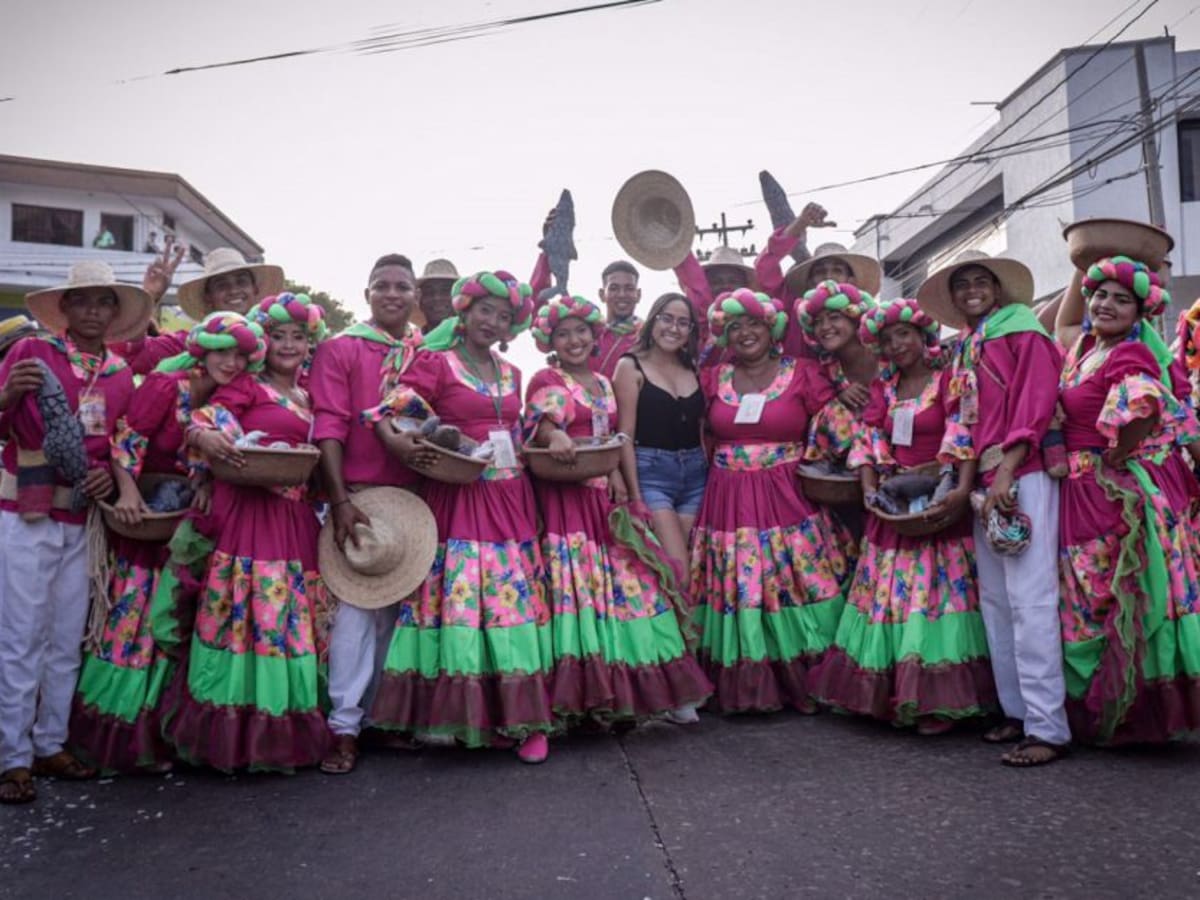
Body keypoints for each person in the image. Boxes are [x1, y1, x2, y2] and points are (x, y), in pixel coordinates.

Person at [364, 271, 555, 763]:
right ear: (464, 312)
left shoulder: (511, 373)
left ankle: (521, 720)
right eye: (485, 310)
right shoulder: (437, 362)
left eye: (503, 315)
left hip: (510, 497)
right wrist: (399, 441)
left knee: (511, 602)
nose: (492, 321)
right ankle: (463, 714)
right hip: (458, 496)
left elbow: (524, 425)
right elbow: (395, 410)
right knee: (463, 600)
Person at [68, 312, 252, 774]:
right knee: (138, 618)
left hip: (188, 522)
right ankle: (126, 733)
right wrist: (129, 493)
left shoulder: (231, 399)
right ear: (202, 351)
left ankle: (163, 733)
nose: (229, 362)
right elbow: (127, 439)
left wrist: (205, 483)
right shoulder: (166, 386)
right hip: (149, 513)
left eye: (238, 354)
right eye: (221, 351)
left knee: (175, 620)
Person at [810, 299, 995, 733]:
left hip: (940, 501)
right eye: (888, 339)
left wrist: (962, 488)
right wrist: (871, 487)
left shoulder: (949, 378)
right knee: (896, 599)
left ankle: (939, 698)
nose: (897, 345)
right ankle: (895, 690)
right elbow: (869, 437)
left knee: (937, 599)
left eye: (904, 335)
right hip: (894, 504)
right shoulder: (884, 388)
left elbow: (966, 430)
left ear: (923, 336)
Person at [0, 260, 148, 804]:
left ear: (115, 311)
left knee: (66, 637)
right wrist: (5, 395)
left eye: (104, 301)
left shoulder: (116, 375)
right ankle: (11, 759)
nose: (93, 310)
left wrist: (111, 474)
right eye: (82, 300)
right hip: (25, 510)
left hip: (82, 514)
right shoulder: (30, 353)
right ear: (64, 307)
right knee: (20, 638)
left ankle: (50, 744)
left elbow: (122, 443)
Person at [525, 295, 711, 727]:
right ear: (550, 340)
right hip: (567, 508)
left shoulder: (603, 383)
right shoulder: (546, 378)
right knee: (581, 598)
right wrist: (553, 435)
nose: (574, 340)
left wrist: (622, 484)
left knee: (638, 587)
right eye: (564, 333)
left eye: (582, 332)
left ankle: (667, 689)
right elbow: (543, 420)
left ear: (595, 336)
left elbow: (614, 436)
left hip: (605, 504)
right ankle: (585, 698)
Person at [164, 295, 331, 773]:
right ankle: (235, 735)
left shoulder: (309, 397)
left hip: (294, 518)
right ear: (263, 342)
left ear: (309, 344)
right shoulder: (247, 386)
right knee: (247, 612)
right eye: (278, 336)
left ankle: (285, 727)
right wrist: (206, 439)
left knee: (290, 620)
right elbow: (202, 420)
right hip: (248, 516)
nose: (288, 345)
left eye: (298, 337)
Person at [917, 251, 1071, 767]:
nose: (971, 291)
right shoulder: (967, 346)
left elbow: (1035, 401)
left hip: (1019, 473)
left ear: (999, 290)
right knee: (998, 602)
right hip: (984, 478)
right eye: (962, 286)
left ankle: (1048, 727)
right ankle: (1017, 711)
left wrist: (1008, 466)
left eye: (981, 282)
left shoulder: (1024, 332)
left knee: (1031, 599)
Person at [1053, 256, 1200, 744]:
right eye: (1100, 295)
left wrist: (1116, 453)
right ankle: (1102, 706)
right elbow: (1065, 320)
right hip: (1080, 491)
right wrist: (1082, 267)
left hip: (1106, 493)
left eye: (1121, 300)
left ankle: (1129, 711)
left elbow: (1144, 403)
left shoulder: (1128, 356)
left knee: (1109, 596)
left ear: (1140, 315)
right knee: (1087, 597)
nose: (1106, 305)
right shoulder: (1084, 349)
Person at [689, 289, 850, 713]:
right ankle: (749, 685)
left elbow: (837, 429)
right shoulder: (713, 378)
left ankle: (812, 680)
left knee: (796, 581)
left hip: (788, 497)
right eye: (735, 327)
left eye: (754, 324)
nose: (745, 333)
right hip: (728, 497)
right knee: (741, 585)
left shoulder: (804, 373)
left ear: (772, 328)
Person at [310, 253, 426, 776]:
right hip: (358, 497)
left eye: (403, 286)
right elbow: (328, 426)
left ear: (416, 296)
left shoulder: (426, 352)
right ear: (367, 294)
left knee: (396, 619)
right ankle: (344, 727)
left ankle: (379, 716)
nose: (393, 294)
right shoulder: (342, 348)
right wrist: (339, 502)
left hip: (415, 503)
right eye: (383, 285)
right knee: (355, 615)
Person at [611, 292, 706, 585]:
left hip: (695, 474)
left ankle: (691, 630)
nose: (673, 328)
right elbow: (624, 435)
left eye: (683, 323)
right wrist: (635, 496)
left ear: (690, 331)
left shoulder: (693, 367)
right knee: (678, 572)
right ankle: (682, 630)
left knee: (696, 564)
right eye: (667, 319)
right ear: (653, 320)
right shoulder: (630, 366)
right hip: (652, 474)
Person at [114, 246, 285, 376]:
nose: (234, 290)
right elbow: (131, 356)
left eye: (241, 282)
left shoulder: (279, 339)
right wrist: (151, 296)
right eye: (222, 285)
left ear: (254, 289)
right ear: (208, 297)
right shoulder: (188, 343)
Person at [673, 245, 754, 364]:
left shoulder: (760, 316)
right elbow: (691, 273)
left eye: (733, 281)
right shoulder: (697, 315)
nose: (725, 286)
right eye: (716, 282)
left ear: (745, 284)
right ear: (707, 285)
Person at [416, 258, 458, 333]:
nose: (437, 298)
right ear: (420, 301)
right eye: (429, 292)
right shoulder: (410, 343)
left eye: (445, 291)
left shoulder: (476, 341)